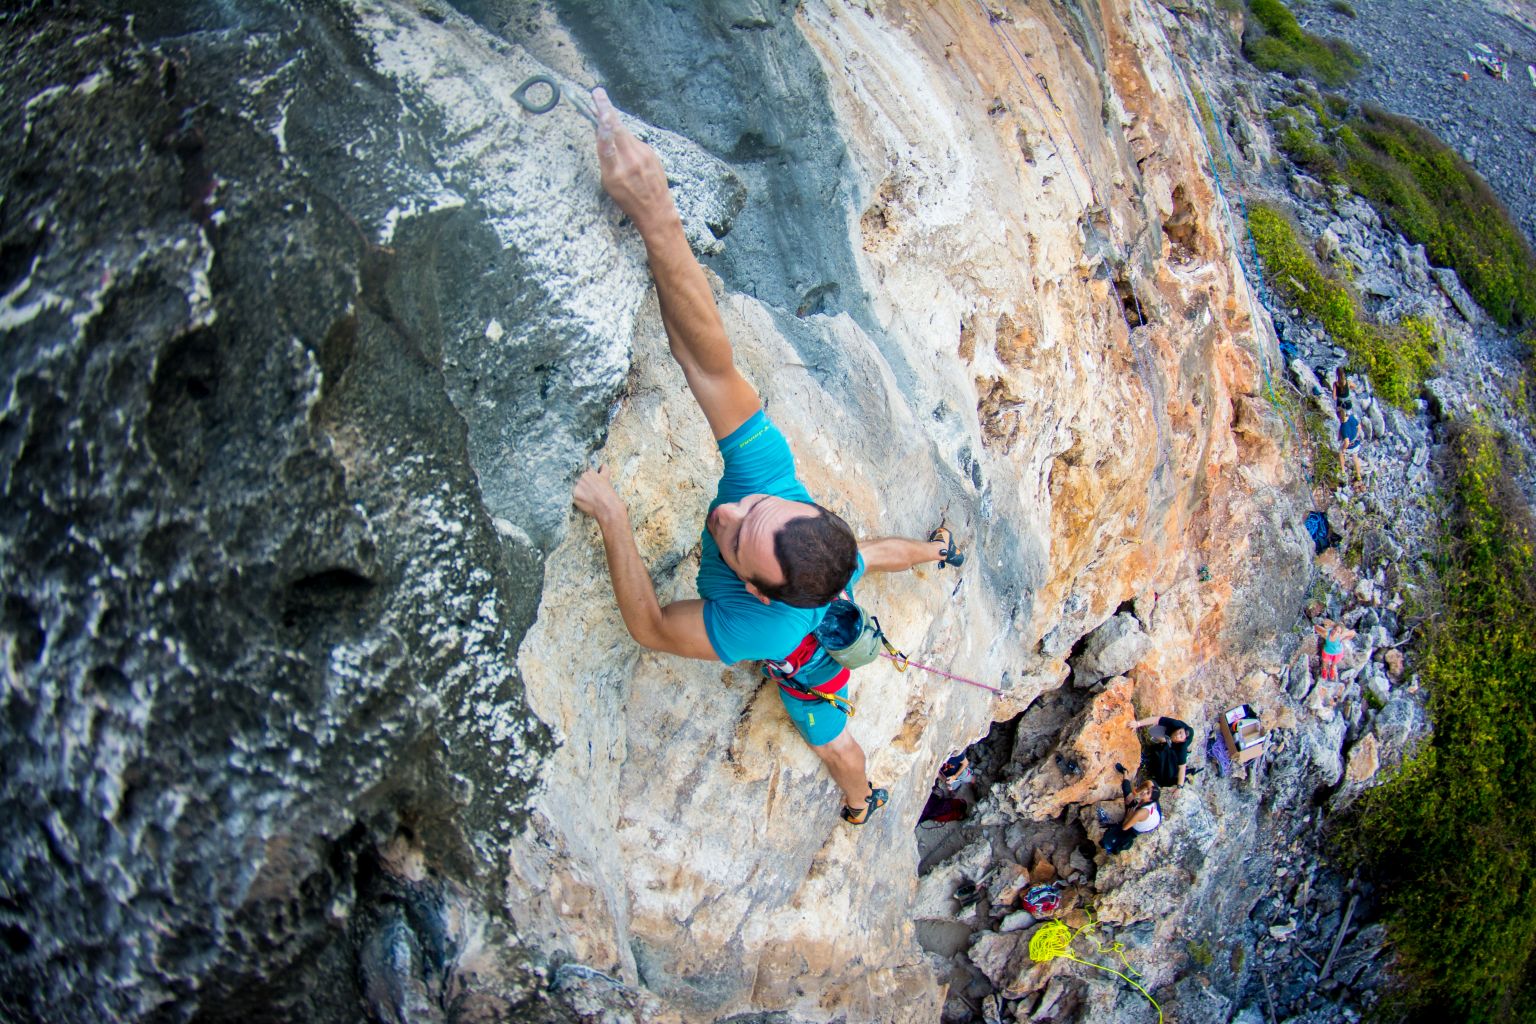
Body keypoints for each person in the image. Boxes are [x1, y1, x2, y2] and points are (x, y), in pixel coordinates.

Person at [570, 90, 960, 826]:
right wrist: (658, 219)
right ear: (804, 507)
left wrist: (614, 517)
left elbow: (652, 628)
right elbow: (709, 364)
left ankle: (861, 802)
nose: (729, 509)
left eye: (733, 535)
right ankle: (938, 555)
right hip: (830, 578)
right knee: (867, 556)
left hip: (810, 669)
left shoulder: (761, 627)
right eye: (752, 507)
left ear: (754, 590)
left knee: (840, 747)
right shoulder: (773, 492)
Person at [1096, 778, 1161, 854]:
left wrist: (1127, 817)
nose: (1144, 791)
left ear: (1150, 800)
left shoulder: (1141, 813)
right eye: (1147, 789)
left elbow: (1124, 827)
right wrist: (1135, 792)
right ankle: (1125, 774)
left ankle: (1111, 846)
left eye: (1147, 793)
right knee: (1129, 797)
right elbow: (1150, 782)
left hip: (1139, 828)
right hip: (1156, 817)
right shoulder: (1152, 799)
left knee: (1113, 835)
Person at [1127, 714, 1192, 788]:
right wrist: (1138, 724)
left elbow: (1182, 768)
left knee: (1167, 756)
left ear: (1183, 740)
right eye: (1180, 732)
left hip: (1174, 748)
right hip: (1168, 737)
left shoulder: (1182, 748)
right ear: (1180, 728)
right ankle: (1162, 743)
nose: (1178, 735)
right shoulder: (1176, 724)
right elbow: (1157, 719)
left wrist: (1179, 786)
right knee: (1153, 731)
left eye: (1180, 737)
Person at [1337, 401, 1364, 482]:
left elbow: (1346, 442)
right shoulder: (1352, 417)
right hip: (1356, 442)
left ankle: (1343, 471)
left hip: (1350, 445)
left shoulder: (1343, 427)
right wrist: (1356, 435)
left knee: (1341, 453)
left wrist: (1344, 448)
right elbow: (1359, 426)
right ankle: (1358, 475)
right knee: (1355, 457)